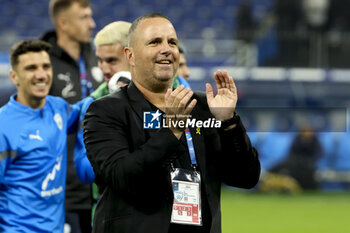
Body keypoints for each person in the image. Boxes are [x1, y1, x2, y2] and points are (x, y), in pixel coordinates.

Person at [83, 13, 260, 233]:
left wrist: (228, 122)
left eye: (172, 42)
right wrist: (172, 130)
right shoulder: (105, 111)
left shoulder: (203, 107)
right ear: (131, 55)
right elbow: (121, 177)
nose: (166, 49)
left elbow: (245, 177)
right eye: (154, 42)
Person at [0, 40, 82, 233]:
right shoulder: (4, 126)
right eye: (31, 68)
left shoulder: (59, 108)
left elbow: (86, 110)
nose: (41, 75)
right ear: (14, 76)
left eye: (46, 66)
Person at [40, 1, 103, 232]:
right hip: (60, 193)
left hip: (101, 187)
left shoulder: (98, 59)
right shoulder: (41, 64)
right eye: (84, 17)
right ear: (63, 23)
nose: (92, 24)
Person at [74, 21, 132, 184]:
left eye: (111, 61)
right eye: (100, 60)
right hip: (108, 205)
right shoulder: (92, 104)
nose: (104, 69)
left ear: (133, 57)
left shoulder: (176, 86)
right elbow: (84, 171)